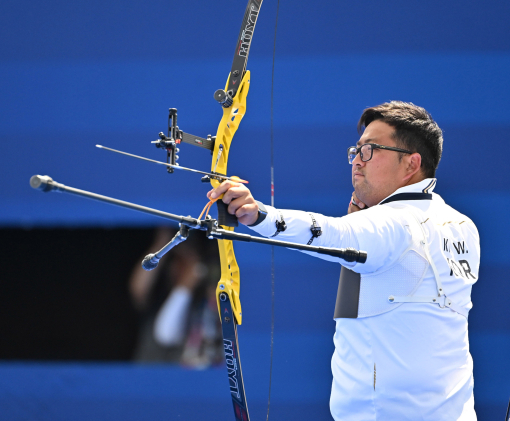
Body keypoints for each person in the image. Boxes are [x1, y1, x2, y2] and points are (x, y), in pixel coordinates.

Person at [207, 101, 480, 420]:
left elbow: (334, 234)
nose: (357, 162)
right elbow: (390, 294)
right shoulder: (463, 227)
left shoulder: (393, 225)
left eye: (370, 150)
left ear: (411, 164)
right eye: (356, 150)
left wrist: (259, 215)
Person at [129, 227, 223, 366]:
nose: (184, 267)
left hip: (191, 377)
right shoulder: (158, 295)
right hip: (150, 375)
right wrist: (163, 242)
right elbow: (137, 290)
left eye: (188, 262)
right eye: (178, 261)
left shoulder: (204, 300)